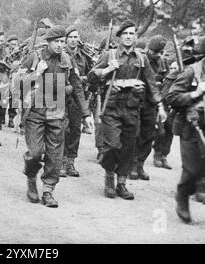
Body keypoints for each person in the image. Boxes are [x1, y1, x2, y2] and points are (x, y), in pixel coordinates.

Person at [87, 20, 163, 200]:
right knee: (112, 145)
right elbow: (91, 77)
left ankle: (121, 184)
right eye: (126, 34)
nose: (129, 37)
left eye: (132, 34)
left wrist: (160, 106)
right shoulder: (109, 55)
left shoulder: (141, 58)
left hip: (131, 108)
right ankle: (109, 179)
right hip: (111, 107)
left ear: (136, 37)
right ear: (120, 37)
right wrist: (107, 70)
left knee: (129, 147)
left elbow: (151, 84)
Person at [16, 25, 85, 207]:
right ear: (49, 42)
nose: (61, 45)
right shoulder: (35, 57)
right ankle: (31, 177)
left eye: (63, 41)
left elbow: (77, 86)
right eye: (57, 42)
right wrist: (37, 72)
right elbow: (18, 83)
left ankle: (48, 190)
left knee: (55, 155)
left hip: (57, 112)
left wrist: (86, 114)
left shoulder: (68, 60)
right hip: (35, 112)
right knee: (35, 153)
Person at [165, 37, 205, 223]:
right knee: (191, 168)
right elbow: (171, 96)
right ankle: (182, 196)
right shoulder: (191, 72)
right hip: (192, 125)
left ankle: (198, 188)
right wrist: (194, 94)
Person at [130, 35, 168, 180]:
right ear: (149, 49)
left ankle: (140, 164)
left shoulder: (162, 62)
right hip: (137, 102)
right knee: (135, 134)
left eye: (160, 52)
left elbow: (166, 80)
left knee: (149, 135)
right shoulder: (140, 59)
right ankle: (132, 165)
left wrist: (161, 94)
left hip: (152, 103)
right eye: (155, 52)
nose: (157, 55)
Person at [61, 25, 93, 177]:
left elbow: (90, 75)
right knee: (63, 128)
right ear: (66, 40)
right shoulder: (61, 54)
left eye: (76, 37)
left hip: (78, 98)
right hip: (63, 97)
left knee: (75, 130)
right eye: (71, 37)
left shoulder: (84, 57)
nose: (73, 40)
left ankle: (70, 162)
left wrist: (84, 79)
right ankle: (60, 160)